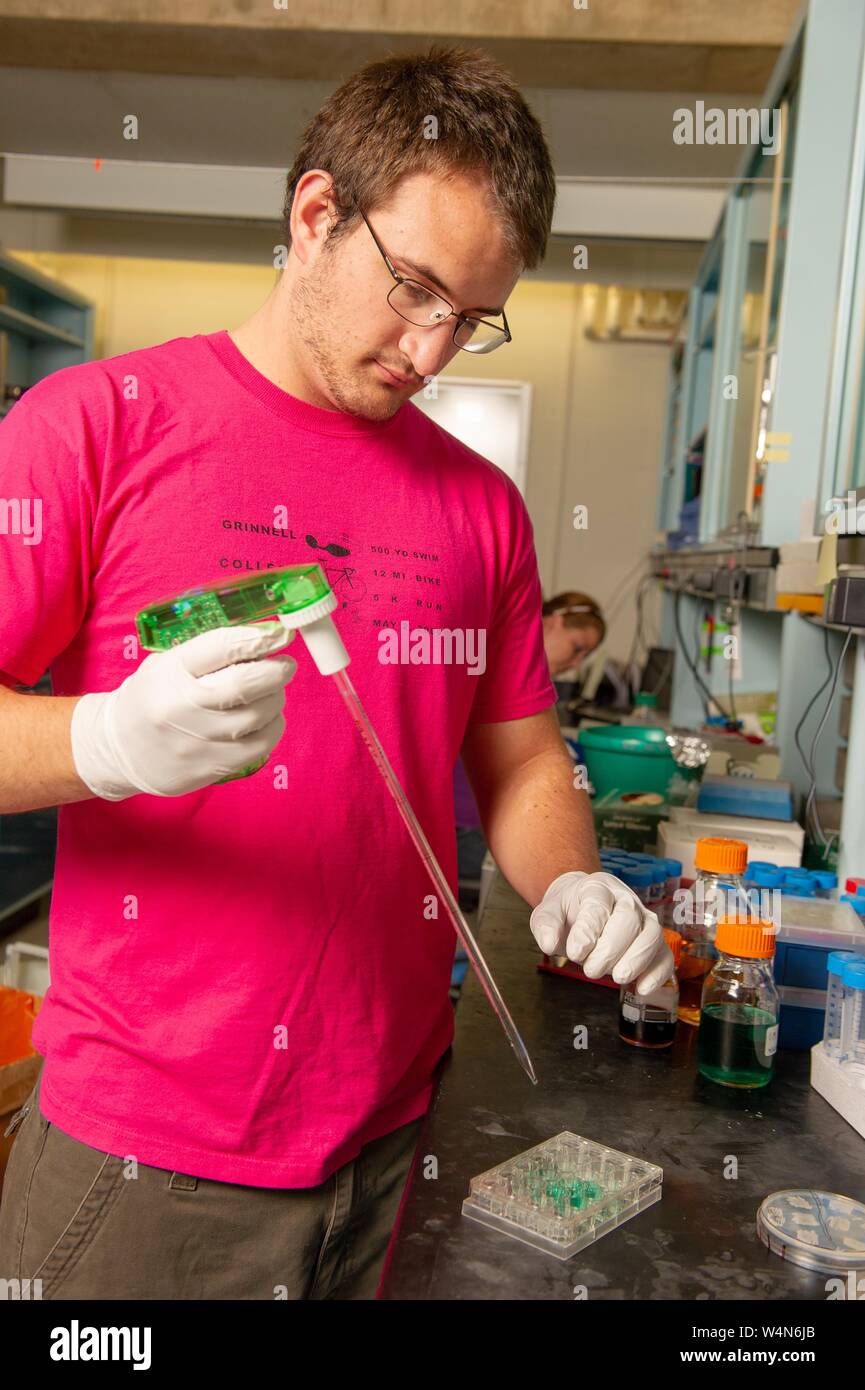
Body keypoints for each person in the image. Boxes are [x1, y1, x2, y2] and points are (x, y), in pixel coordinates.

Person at [0, 46, 670, 1301]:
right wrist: (101, 743)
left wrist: (569, 876)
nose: (430, 350)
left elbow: (520, 752)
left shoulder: (482, 509)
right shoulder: (93, 428)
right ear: (315, 215)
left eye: (470, 321)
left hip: (390, 1138)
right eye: (413, 288)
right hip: (150, 1161)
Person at [454, 591, 606, 902]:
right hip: (467, 830)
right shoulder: (493, 657)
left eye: (584, 657)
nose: (576, 664)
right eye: (577, 648)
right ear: (554, 620)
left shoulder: (525, 679)